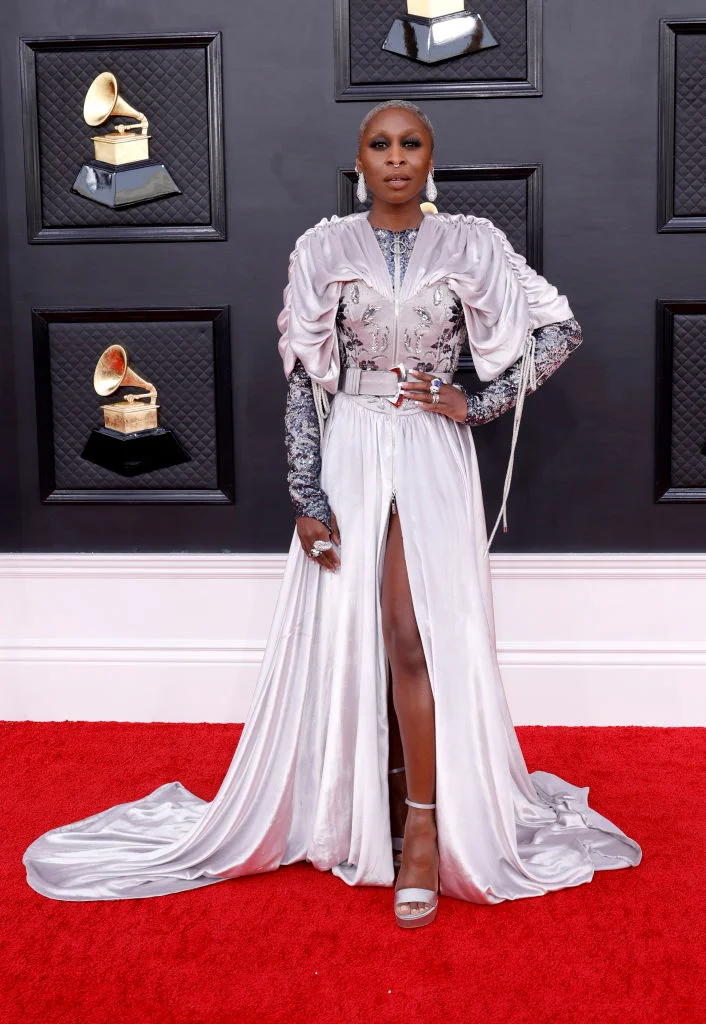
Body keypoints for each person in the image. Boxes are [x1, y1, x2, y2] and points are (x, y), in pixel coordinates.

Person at [23, 101, 642, 929]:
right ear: (360, 159)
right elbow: (306, 384)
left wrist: (481, 400)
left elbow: (558, 328)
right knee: (364, 633)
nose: (395, 158)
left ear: (431, 159)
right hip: (350, 447)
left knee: (414, 634)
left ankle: (423, 830)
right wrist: (308, 499)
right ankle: (375, 804)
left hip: (428, 449)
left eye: (410, 144)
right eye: (380, 144)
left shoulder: (473, 244)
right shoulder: (323, 247)